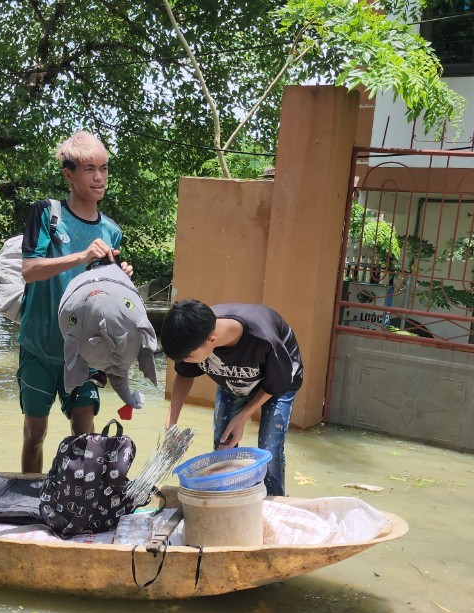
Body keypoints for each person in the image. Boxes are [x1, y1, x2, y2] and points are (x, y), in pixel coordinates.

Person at [17, 132, 132, 473]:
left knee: (86, 434)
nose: (99, 177)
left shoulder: (111, 232)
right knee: (35, 434)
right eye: (89, 169)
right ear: (69, 175)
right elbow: (29, 270)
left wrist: (121, 278)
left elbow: (105, 298)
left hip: (83, 352)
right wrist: (82, 255)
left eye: (104, 169)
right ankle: (29, 500)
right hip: (39, 346)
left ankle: (84, 501)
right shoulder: (46, 214)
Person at [161, 300, 303, 496]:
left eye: (190, 357)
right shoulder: (195, 335)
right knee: (223, 446)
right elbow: (185, 375)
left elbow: (276, 384)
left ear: (212, 339)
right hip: (233, 379)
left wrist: (242, 417)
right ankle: (226, 499)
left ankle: (274, 503)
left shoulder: (263, 339)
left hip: (277, 383)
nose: (187, 361)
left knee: (270, 448)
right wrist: (171, 423)